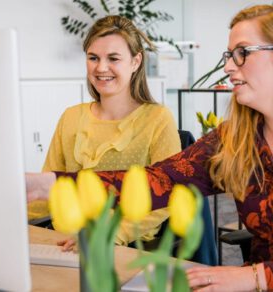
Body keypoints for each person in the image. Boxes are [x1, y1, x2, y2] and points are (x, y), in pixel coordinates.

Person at [27, 5, 273, 291]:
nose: (229, 67)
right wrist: (52, 184)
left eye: (241, 53)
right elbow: (159, 181)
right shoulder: (236, 138)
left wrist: (253, 277)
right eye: (228, 56)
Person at [27, 15, 181, 247]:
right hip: (63, 241)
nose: (101, 68)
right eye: (93, 58)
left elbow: (166, 196)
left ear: (136, 61)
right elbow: (48, 187)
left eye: (113, 58)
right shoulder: (71, 116)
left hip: (125, 244)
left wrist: (111, 236)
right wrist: (10, 219)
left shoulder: (157, 119)